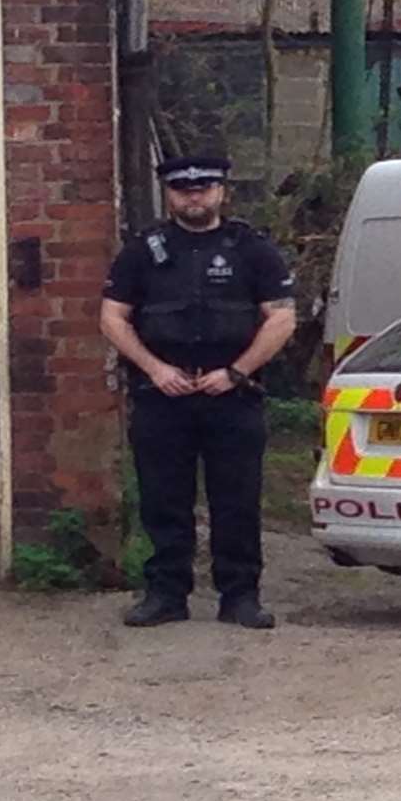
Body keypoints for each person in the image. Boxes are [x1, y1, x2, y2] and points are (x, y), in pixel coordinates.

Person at [101, 156, 297, 629]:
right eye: (183, 188)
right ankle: (165, 594)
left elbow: (283, 318)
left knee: (237, 500)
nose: (194, 196)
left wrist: (236, 372)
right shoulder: (141, 252)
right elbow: (112, 317)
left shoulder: (252, 250)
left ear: (222, 191)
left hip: (232, 396)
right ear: (169, 193)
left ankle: (240, 597)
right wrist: (155, 368)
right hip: (162, 395)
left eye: (204, 187)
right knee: (162, 501)